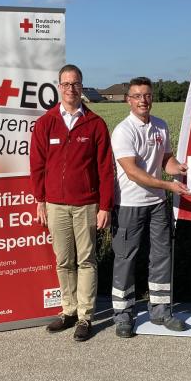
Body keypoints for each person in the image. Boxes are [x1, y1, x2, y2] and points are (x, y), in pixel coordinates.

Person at [30, 64, 115, 342]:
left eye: (75, 83)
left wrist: (105, 206)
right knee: (64, 260)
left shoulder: (95, 124)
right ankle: (68, 310)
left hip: (86, 204)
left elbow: (105, 169)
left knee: (87, 260)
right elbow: (37, 166)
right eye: (65, 84)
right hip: (55, 204)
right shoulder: (46, 123)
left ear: (82, 86)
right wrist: (40, 200)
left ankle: (85, 316)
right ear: (59, 87)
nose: (70, 89)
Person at [109, 76, 190, 338]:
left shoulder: (161, 126)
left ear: (152, 97)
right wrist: (168, 187)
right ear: (128, 100)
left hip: (157, 204)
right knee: (125, 258)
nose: (143, 100)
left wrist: (183, 169)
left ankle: (161, 311)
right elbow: (132, 172)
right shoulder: (123, 131)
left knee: (161, 256)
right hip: (129, 204)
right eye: (137, 96)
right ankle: (123, 315)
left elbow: (166, 161)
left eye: (147, 95)